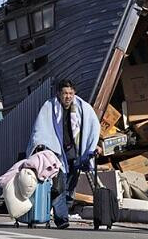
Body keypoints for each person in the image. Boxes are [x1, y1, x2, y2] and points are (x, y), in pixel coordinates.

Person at [26, 79, 100, 229]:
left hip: (76, 152)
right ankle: (62, 219)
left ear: (74, 93)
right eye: (65, 93)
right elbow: (40, 128)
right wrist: (40, 144)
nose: (68, 96)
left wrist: (94, 145)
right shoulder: (50, 107)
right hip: (56, 154)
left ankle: (62, 213)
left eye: (70, 93)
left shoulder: (82, 108)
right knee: (59, 186)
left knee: (70, 188)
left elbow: (93, 126)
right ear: (59, 94)